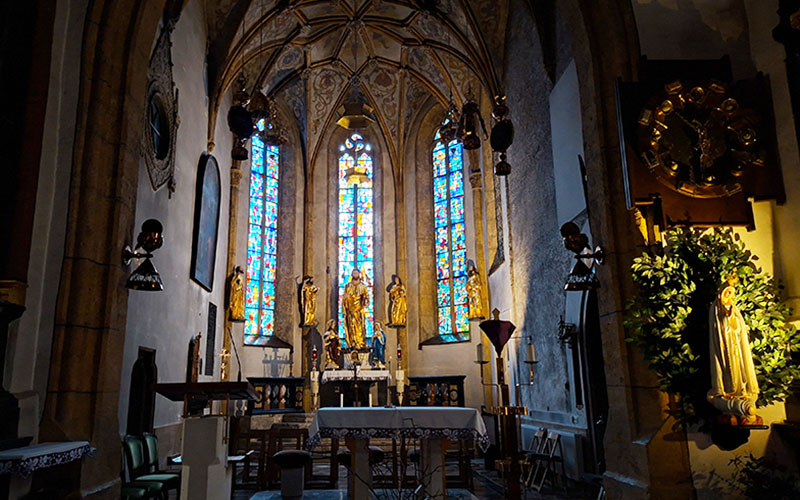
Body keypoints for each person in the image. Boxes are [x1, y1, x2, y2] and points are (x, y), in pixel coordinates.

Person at [707, 273, 761, 424]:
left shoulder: (735, 309)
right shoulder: (715, 309)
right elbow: (717, 328)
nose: (729, 295)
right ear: (721, 293)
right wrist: (726, 319)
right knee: (726, 371)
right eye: (727, 292)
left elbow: (740, 329)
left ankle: (742, 392)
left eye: (731, 293)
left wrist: (732, 319)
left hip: (737, 346)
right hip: (723, 347)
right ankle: (728, 395)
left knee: (741, 369)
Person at [342, 269, 369, 349]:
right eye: (354, 273)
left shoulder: (363, 286)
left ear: (359, 274)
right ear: (352, 274)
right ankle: (352, 343)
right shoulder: (348, 286)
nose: (355, 274)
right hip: (350, 310)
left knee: (360, 328)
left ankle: (360, 344)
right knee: (351, 327)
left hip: (359, 310)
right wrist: (345, 298)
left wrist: (365, 301)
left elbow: (367, 298)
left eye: (356, 273)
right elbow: (344, 298)